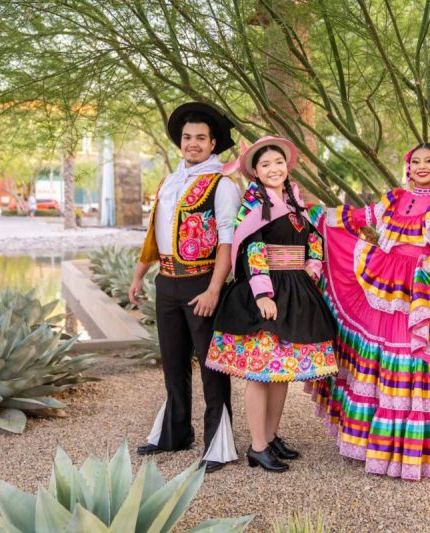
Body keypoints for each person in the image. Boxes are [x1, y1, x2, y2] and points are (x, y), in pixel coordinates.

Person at [309, 143, 430, 481]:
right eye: (416, 161)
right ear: (408, 167)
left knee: (413, 356)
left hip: (417, 287)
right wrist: (319, 215)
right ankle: (376, 445)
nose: (422, 166)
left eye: (429, 161)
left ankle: (411, 453)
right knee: (380, 356)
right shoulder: (394, 198)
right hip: (384, 280)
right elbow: (360, 218)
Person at [206, 136, 338, 473]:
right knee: (260, 372)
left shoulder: (296, 203)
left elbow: (314, 240)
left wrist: (312, 268)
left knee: (282, 372)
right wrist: (263, 294)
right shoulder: (253, 206)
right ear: (256, 172)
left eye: (278, 162)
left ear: (287, 166)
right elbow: (252, 248)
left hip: (295, 290)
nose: (273, 169)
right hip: (264, 292)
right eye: (265, 165)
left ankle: (271, 435)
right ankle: (258, 446)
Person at [128, 102, 241, 473]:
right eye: (187, 137)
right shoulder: (168, 182)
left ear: (213, 144)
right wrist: (139, 274)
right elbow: (154, 234)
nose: (193, 143)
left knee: (212, 367)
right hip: (167, 282)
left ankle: (218, 446)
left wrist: (214, 289)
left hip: (202, 282)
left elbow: (227, 241)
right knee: (173, 363)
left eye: (200, 138)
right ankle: (175, 433)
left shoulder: (222, 185)